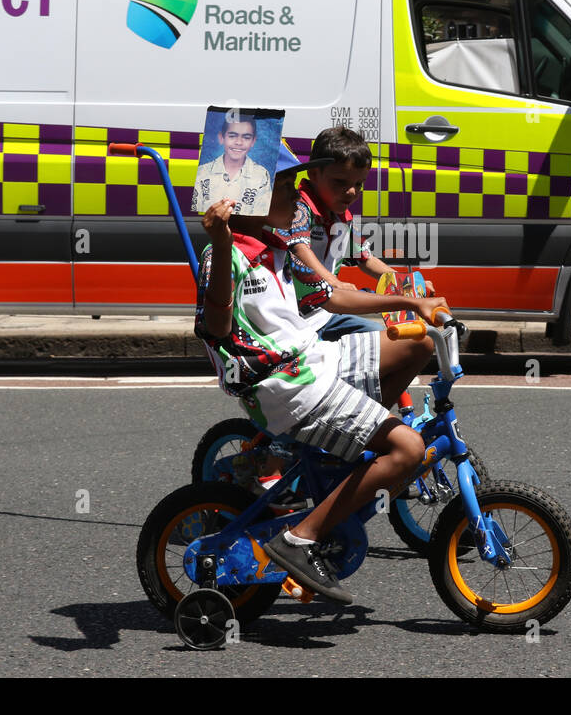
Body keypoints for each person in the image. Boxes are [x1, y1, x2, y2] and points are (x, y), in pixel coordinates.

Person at [196, 141, 448, 604]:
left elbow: (332, 295)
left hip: (314, 360)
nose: (298, 198)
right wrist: (219, 239)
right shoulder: (225, 255)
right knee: (408, 449)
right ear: (250, 197)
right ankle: (298, 541)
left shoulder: (278, 246)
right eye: (288, 188)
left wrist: (410, 302)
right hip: (287, 387)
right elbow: (216, 326)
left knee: (417, 345)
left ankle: (347, 456)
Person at [278, 125, 397, 343]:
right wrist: (334, 281)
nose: (351, 191)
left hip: (325, 316)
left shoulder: (341, 216)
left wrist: (406, 284)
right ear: (314, 174)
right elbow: (299, 247)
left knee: (388, 342)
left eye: (358, 184)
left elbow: (365, 259)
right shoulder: (299, 207)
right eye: (340, 182)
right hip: (291, 322)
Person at [191, 117, 272, 215]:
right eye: (232, 136)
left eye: (246, 137)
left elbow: (260, 215)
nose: (239, 142)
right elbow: (196, 215)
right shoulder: (202, 173)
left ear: (253, 141)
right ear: (221, 138)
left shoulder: (261, 175)